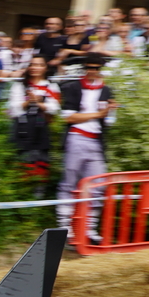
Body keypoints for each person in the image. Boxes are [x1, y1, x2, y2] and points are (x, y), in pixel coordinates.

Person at [56, 53, 114, 244]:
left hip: (96, 140)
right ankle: (64, 228)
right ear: (84, 68)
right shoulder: (73, 87)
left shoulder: (106, 90)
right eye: (89, 67)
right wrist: (98, 114)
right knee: (69, 183)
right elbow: (68, 117)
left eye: (96, 68)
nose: (92, 71)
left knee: (98, 185)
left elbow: (109, 121)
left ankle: (89, 229)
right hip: (77, 137)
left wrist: (110, 113)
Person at [9, 55, 59, 197]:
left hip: (41, 129)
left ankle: (38, 195)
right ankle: (21, 194)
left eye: (39, 65)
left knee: (40, 161)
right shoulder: (20, 85)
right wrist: (28, 101)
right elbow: (14, 109)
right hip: (22, 128)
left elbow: (54, 108)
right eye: (33, 64)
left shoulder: (51, 86)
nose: (35, 68)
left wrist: (38, 103)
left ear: (45, 68)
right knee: (22, 161)